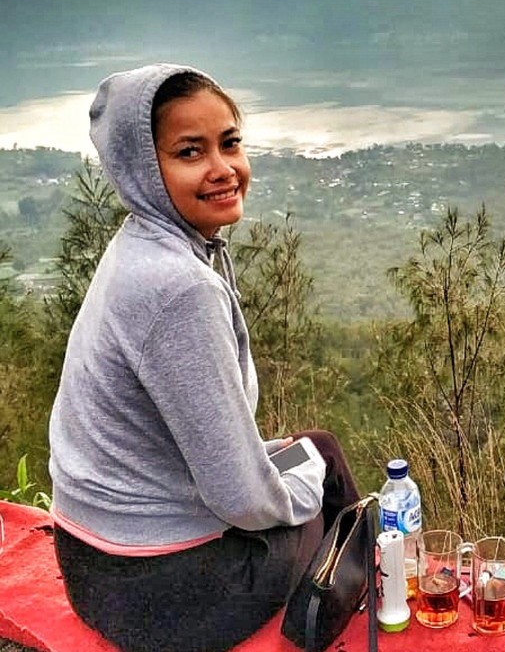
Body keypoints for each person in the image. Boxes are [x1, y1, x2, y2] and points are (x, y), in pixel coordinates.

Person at [48, 64, 360, 652]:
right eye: (190, 152)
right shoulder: (178, 288)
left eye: (230, 143)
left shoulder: (139, 246)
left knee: (312, 451)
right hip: (169, 597)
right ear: (144, 167)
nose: (223, 169)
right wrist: (308, 487)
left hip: (93, 563)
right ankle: (367, 594)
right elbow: (242, 499)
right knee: (325, 469)